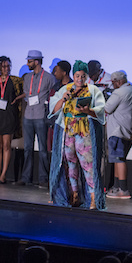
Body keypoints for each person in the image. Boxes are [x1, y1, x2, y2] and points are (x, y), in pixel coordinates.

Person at [49, 61, 106, 209]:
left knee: (88, 165)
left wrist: (88, 111)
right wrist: (63, 99)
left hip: (84, 133)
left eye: (83, 76)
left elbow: (100, 111)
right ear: (73, 76)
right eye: (77, 75)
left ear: (87, 76)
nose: (80, 79)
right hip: (68, 133)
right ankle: (74, 195)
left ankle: (93, 198)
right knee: (70, 164)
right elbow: (53, 110)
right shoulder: (65, 89)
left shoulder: (93, 90)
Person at [19, 50, 56, 188]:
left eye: (29, 61)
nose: (27, 63)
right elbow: (26, 94)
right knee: (27, 148)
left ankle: (43, 178)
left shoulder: (49, 77)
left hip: (41, 116)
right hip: (28, 115)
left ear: (37, 61)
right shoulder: (27, 77)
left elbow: (53, 95)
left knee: (42, 149)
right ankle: (26, 177)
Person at [105, 70, 132, 199]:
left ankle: (123, 189)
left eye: (114, 82)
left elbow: (107, 108)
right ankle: (116, 187)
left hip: (117, 131)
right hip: (129, 131)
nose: (113, 85)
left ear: (119, 81)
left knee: (119, 160)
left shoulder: (119, 92)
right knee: (117, 159)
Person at [0, 56, 23, 184]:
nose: (6, 69)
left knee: (7, 145)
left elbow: (28, 91)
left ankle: (3, 175)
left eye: (8, 66)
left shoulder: (15, 81)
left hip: (9, 115)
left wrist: (17, 99)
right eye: (4, 66)